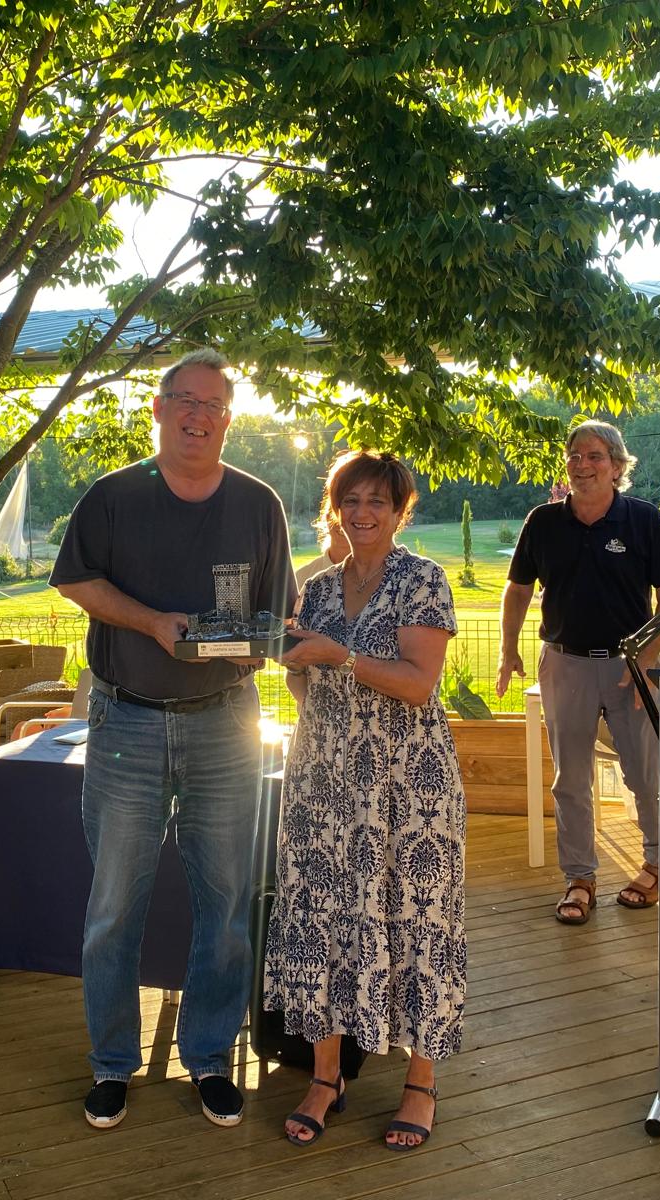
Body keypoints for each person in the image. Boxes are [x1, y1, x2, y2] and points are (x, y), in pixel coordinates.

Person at [52, 348, 295, 1132]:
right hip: (125, 721)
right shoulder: (114, 496)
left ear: (229, 419)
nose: (199, 415)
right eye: (185, 400)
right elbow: (75, 582)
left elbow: (277, 614)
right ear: (158, 409)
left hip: (228, 721)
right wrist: (153, 623)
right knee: (113, 906)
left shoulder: (260, 503)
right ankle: (113, 1063)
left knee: (224, 904)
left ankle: (210, 1057)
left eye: (215, 405)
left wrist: (260, 642)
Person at [264, 450, 467, 1152]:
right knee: (319, 918)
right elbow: (301, 683)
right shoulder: (314, 589)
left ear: (400, 510)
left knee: (415, 922)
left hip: (408, 788)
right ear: (335, 507)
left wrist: (339, 659)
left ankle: (420, 1083)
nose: (363, 512)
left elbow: (419, 684)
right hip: (323, 783)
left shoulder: (423, 580)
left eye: (378, 501)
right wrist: (313, 675)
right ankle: (326, 1076)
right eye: (350, 499)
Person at [496, 421, 660, 925]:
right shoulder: (543, 522)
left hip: (631, 669)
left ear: (617, 466)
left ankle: (658, 866)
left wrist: (648, 657)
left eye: (594, 456)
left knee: (645, 775)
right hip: (564, 662)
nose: (582, 465)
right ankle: (580, 878)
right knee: (570, 779)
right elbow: (517, 589)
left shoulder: (644, 520)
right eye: (575, 456)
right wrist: (507, 648)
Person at [293, 520, 350, 593]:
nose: (342, 521)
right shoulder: (301, 578)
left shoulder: (368, 579)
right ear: (327, 517)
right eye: (336, 513)